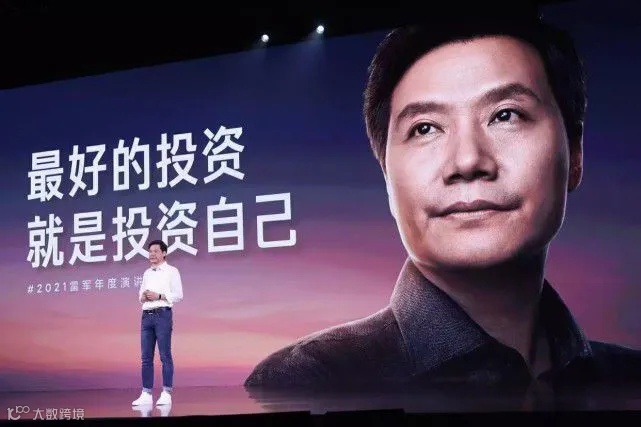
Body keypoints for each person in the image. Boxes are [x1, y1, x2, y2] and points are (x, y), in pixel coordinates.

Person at [244, 12, 641, 392]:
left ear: (575, 153)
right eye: (425, 128)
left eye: (506, 115)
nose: (467, 161)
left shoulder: (626, 378)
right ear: (387, 177)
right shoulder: (311, 380)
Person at [132, 240, 184, 406]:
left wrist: (159, 296)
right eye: (150, 251)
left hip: (162, 315)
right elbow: (140, 296)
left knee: (165, 355)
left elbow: (179, 295)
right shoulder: (147, 273)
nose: (152, 254)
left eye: (155, 251)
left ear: (164, 253)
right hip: (146, 316)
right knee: (146, 358)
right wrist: (143, 296)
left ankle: (166, 393)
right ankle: (146, 394)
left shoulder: (172, 271)